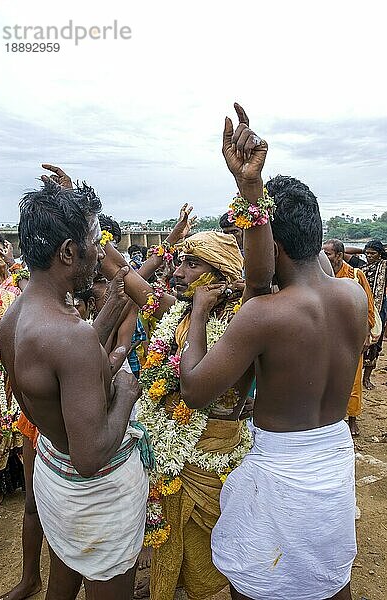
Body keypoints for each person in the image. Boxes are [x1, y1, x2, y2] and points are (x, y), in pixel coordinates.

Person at [179, 104, 368, 600]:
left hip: (282, 476)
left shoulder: (264, 315)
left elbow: (195, 389)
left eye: (244, 237)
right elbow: (277, 266)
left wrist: (198, 313)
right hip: (333, 465)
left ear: (269, 244)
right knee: (330, 577)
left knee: (262, 583)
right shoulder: (352, 297)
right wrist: (253, 195)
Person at [0, 180, 152, 600]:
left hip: (54, 469)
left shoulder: (16, 316)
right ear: (68, 251)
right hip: (93, 496)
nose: (99, 252)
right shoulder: (71, 338)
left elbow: (46, 387)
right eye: (93, 239)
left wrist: (107, 313)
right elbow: (90, 457)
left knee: (62, 579)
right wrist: (125, 391)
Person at [100, 210, 258, 600]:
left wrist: (203, 311)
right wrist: (80, 212)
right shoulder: (173, 311)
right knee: (173, 537)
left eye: (192, 263)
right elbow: (122, 272)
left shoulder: (245, 325)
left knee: (224, 547)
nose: (178, 272)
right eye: (180, 261)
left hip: (215, 457)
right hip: (171, 453)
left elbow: (197, 385)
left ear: (219, 275)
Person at [323, 239, 375, 436]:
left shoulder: (356, 275)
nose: (324, 257)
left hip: (351, 339)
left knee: (353, 380)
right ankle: (332, 417)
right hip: (326, 338)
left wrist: (364, 336)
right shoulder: (320, 276)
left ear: (338, 255)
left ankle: (352, 419)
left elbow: (369, 310)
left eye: (327, 254)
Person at [0, 263, 22, 514]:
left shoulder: (9, 298)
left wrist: (5, 332)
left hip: (10, 370)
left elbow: (24, 327)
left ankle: (19, 482)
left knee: (14, 424)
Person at [362, 240, 387, 389]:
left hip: (379, 309)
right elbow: (345, 253)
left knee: (375, 343)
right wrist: (362, 251)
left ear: (380, 254)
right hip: (362, 307)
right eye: (367, 253)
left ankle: (367, 378)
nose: (369, 256)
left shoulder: (384, 265)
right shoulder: (362, 266)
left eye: (373, 253)